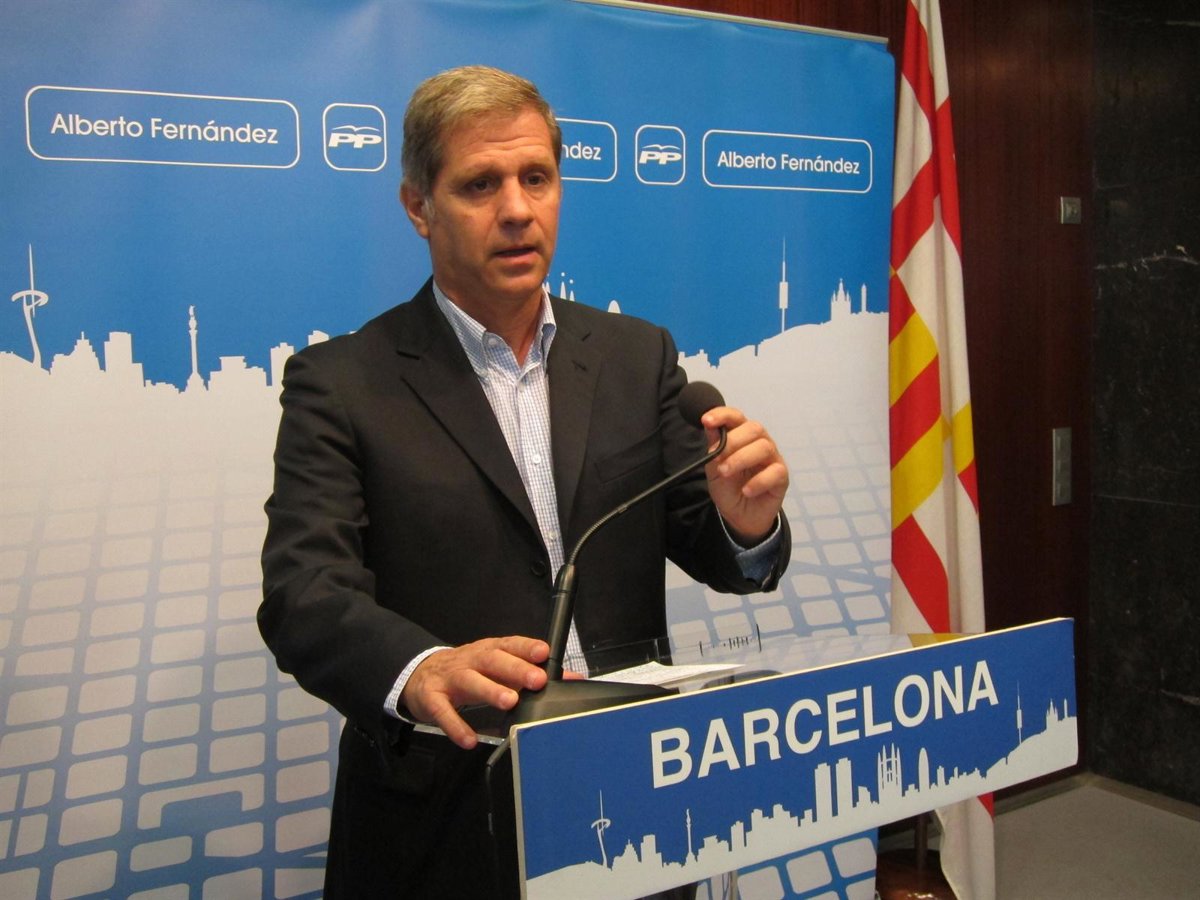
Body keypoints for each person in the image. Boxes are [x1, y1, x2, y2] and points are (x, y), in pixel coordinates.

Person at [259, 65, 791, 898]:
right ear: (418, 207)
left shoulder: (635, 356)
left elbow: (717, 549)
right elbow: (303, 594)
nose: (517, 209)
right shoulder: (343, 384)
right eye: (480, 184)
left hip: (632, 803)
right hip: (445, 820)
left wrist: (744, 524)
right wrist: (420, 668)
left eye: (536, 178)